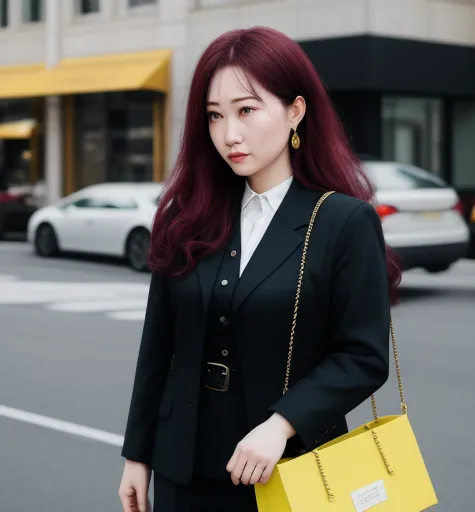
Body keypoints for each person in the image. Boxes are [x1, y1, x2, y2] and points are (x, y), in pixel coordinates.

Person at [119, 26, 402, 512]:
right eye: (214, 116)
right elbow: (158, 348)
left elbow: (363, 356)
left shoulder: (342, 221)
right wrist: (137, 454)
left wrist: (281, 424)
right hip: (180, 471)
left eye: (247, 110)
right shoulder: (186, 217)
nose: (229, 134)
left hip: (288, 469)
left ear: (295, 110)